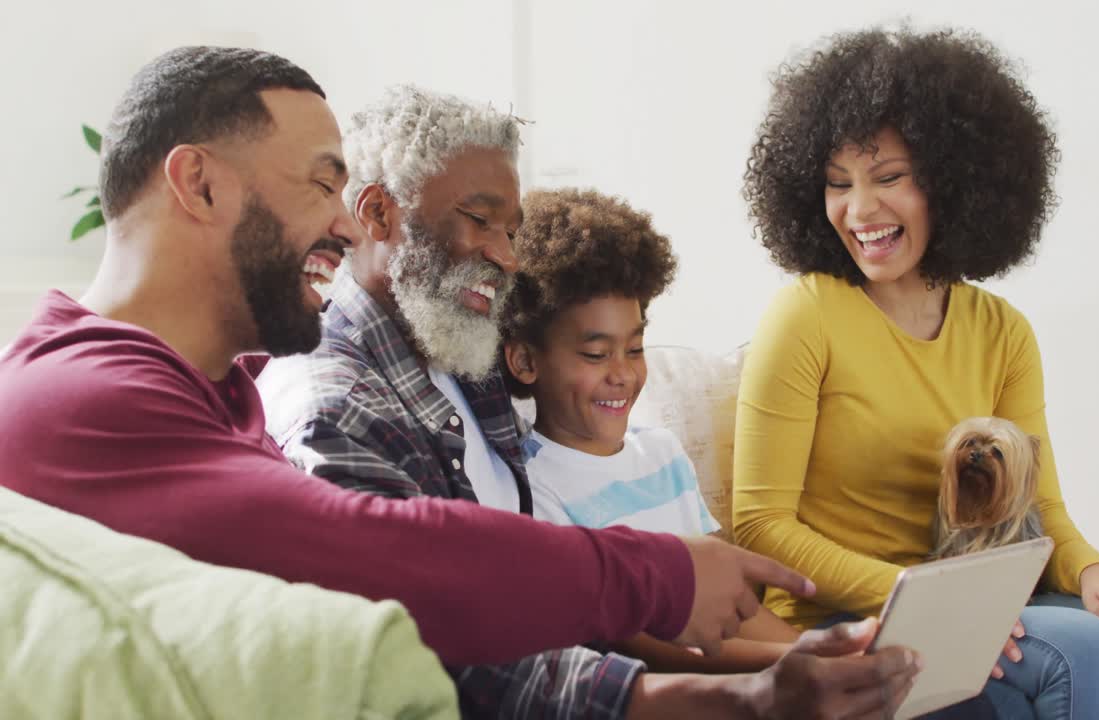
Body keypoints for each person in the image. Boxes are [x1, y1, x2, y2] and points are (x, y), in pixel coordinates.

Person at [0, 45, 813, 672]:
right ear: (200, 184)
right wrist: (659, 577)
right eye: (321, 185)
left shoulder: (225, 391)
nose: (345, 224)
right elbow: (370, 557)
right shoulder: (80, 395)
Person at [255, 86, 921, 720]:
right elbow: (446, 648)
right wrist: (747, 696)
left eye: (511, 230)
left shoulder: (466, 348)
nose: (506, 257)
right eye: (480, 221)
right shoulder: (335, 406)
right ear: (377, 213)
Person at [733, 26, 1099, 719]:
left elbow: (1041, 510)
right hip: (849, 616)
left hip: (969, 603)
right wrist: (922, 600)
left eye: (888, 178)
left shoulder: (1002, 331)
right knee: (1086, 652)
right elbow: (760, 523)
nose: (859, 211)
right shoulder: (806, 315)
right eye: (838, 184)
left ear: (952, 181)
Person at [502, 187, 803, 674]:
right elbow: (641, 647)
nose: (622, 373)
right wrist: (792, 664)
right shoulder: (532, 489)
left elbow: (731, 606)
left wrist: (821, 652)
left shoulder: (663, 453)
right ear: (524, 360)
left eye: (636, 349)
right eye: (596, 354)